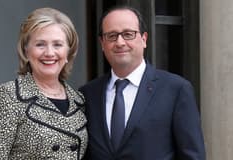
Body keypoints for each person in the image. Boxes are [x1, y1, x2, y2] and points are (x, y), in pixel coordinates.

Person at [79, 5, 206, 160]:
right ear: (102, 43)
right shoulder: (88, 94)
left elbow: (192, 156)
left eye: (128, 34)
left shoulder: (176, 90)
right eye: (112, 35)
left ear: (144, 39)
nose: (120, 42)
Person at [0, 7, 87, 160]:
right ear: (26, 51)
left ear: (68, 52)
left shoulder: (79, 100)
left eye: (57, 44)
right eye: (40, 44)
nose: (49, 53)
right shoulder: (10, 95)